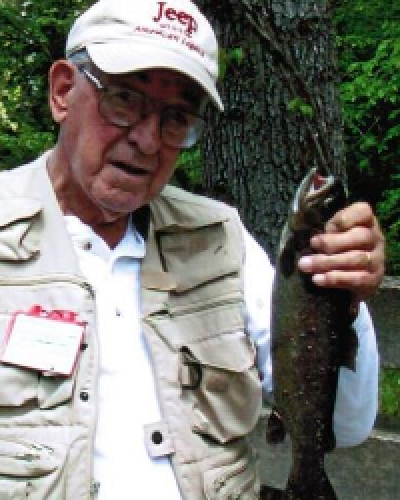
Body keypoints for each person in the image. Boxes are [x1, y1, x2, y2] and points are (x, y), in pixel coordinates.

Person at [0, 0, 384, 498]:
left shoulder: (222, 241)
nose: (146, 139)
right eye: (124, 100)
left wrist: (342, 297)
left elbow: (347, 426)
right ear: (62, 92)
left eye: (176, 118)